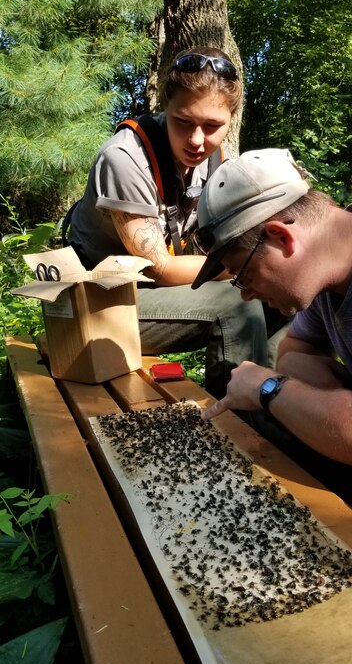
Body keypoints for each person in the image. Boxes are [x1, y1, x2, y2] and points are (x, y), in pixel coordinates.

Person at [191, 148, 352, 542]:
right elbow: (294, 355)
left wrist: (267, 388)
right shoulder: (331, 269)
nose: (246, 295)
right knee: (291, 418)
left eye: (243, 275)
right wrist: (346, 413)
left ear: (282, 237)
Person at [67, 45, 274, 399]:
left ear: (231, 119)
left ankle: (280, 410)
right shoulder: (125, 158)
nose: (197, 140)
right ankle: (241, 431)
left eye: (212, 126)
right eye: (183, 121)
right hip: (96, 305)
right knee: (237, 306)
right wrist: (246, 264)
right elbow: (159, 269)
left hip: (154, 299)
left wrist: (266, 270)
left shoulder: (219, 163)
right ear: (165, 105)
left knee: (278, 292)